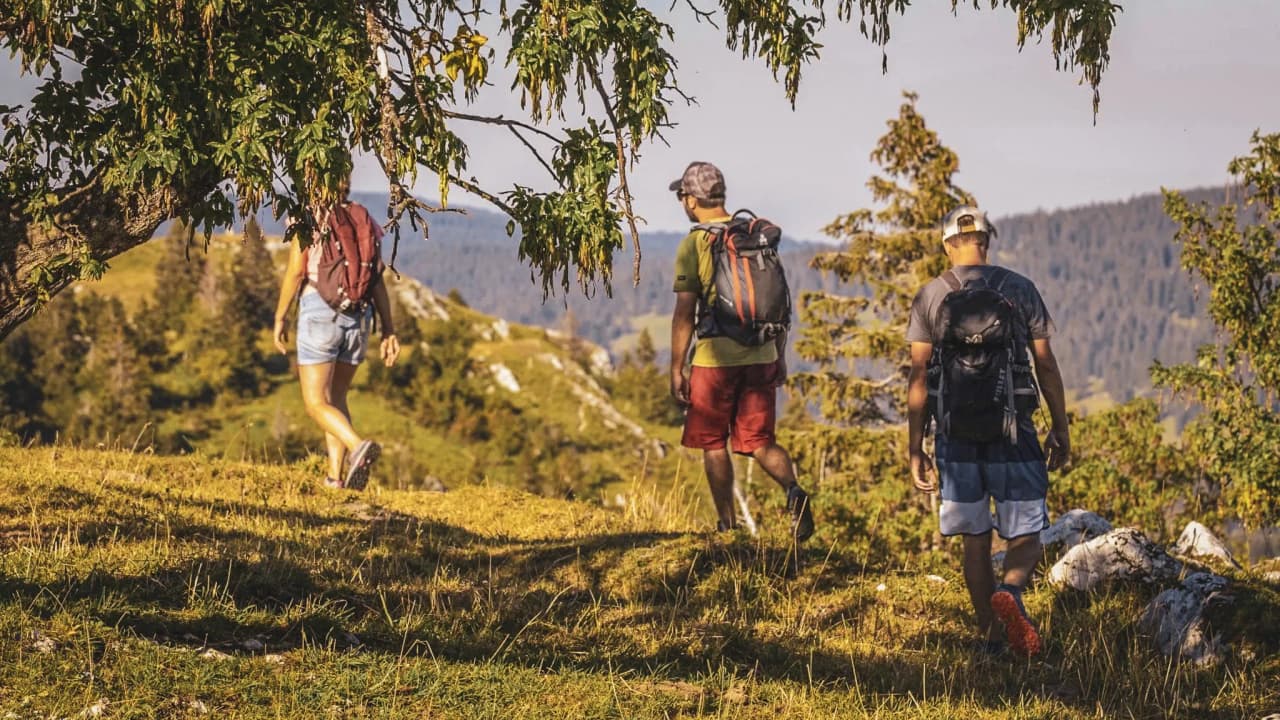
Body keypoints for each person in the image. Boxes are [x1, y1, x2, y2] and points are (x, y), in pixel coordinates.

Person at [906, 205, 1071, 658]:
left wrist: (915, 446)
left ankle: (992, 642)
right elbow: (1046, 363)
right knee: (1026, 534)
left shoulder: (931, 294)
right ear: (988, 240)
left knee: (974, 541)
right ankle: (1013, 592)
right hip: (1014, 433)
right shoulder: (1019, 289)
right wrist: (1060, 425)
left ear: (946, 245)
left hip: (955, 436)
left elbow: (918, 376)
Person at [667, 161, 815, 541]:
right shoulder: (755, 237)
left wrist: (676, 367)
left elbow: (685, 312)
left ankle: (727, 526)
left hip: (715, 361)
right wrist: (779, 354)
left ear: (691, 200)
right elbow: (777, 303)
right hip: (763, 354)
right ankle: (793, 490)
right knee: (761, 442)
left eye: (682, 196)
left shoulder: (695, 243)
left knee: (714, 442)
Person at [272, 179, 400, 490]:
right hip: (359, 315)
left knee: (316, 403)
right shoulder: (363, 217)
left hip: (320, 310)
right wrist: (388, 329)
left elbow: (296, 271)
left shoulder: (309, 216)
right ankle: (334, 477)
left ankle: (357, 447)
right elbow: (377, 279)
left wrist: (280, 316)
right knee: (337, 398)